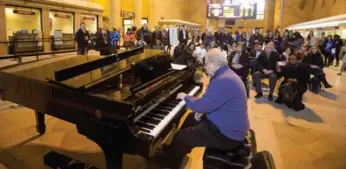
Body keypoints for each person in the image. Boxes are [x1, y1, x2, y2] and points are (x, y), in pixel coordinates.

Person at [157, 48, 249, 169]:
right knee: (191, 118)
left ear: (214, 64)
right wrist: (203, 111)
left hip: (227, 135)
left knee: (182, 137)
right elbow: (213, 103)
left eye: (206, 64)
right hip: (228, 125)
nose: (204, 67)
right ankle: (174, 151)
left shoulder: (223, 80)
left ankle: (170, 164)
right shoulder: (226, 74)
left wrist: (186, 97)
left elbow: (202, 105)